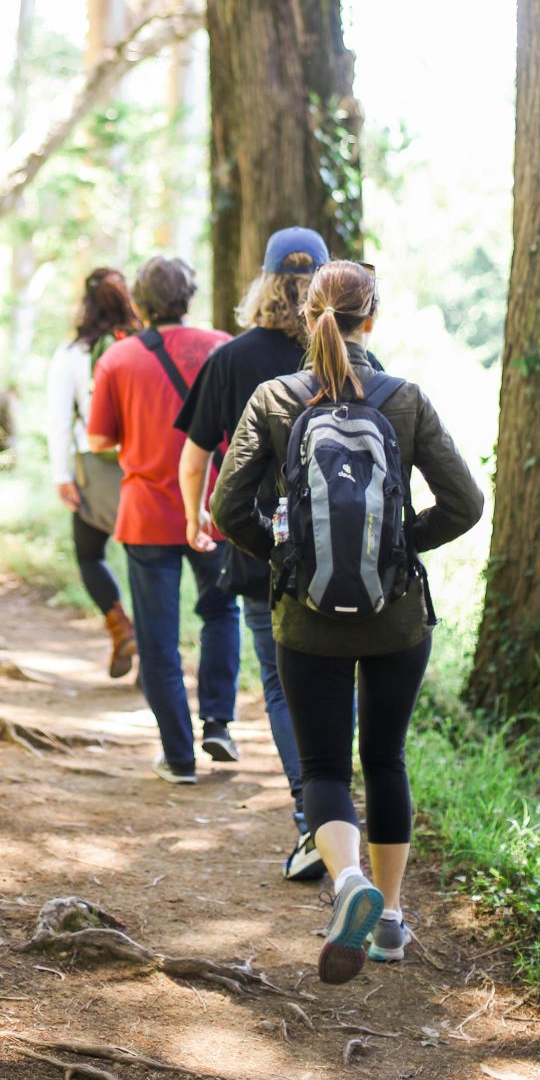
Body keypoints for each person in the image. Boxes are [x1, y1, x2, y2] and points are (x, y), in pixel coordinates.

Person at [212, 260, 483, 984]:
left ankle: (350, 882)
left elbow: (226, 510)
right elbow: (465, 504)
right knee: (386, 758)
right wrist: (397, 548)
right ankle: (390, 921)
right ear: (374, 317)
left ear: (306, 317)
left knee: (327, 766)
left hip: (306, 619)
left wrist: (286, 559)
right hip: (396, 620)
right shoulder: (405, 399)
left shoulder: (275, 398)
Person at [174, 227, 329, 878]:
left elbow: (194, 457)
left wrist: (194, 519)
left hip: (260, 546)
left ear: (263, 283)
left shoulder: (232, 359)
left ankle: (311, 819)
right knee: (335, 680)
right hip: (341, 549)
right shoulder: (348, 356)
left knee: (279, 683)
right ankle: (339, 810)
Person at [87, 256, 238, 784]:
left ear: (141, 303)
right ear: (189, 296)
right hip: (214, 508)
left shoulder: (118, 359)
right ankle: (218, 721)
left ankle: (178, 757)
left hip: (148, 513)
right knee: (221, 612)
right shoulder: (221, 346)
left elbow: (99, 439)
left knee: (158, 639)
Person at [46, 267, 143, 677]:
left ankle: (120, 625)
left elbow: (57, 419)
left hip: (94, 469)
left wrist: (62, 476)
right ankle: (153, 655)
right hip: (144, 468)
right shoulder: (145, 346)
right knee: (146, 563)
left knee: (90, 555)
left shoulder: (72, 355)